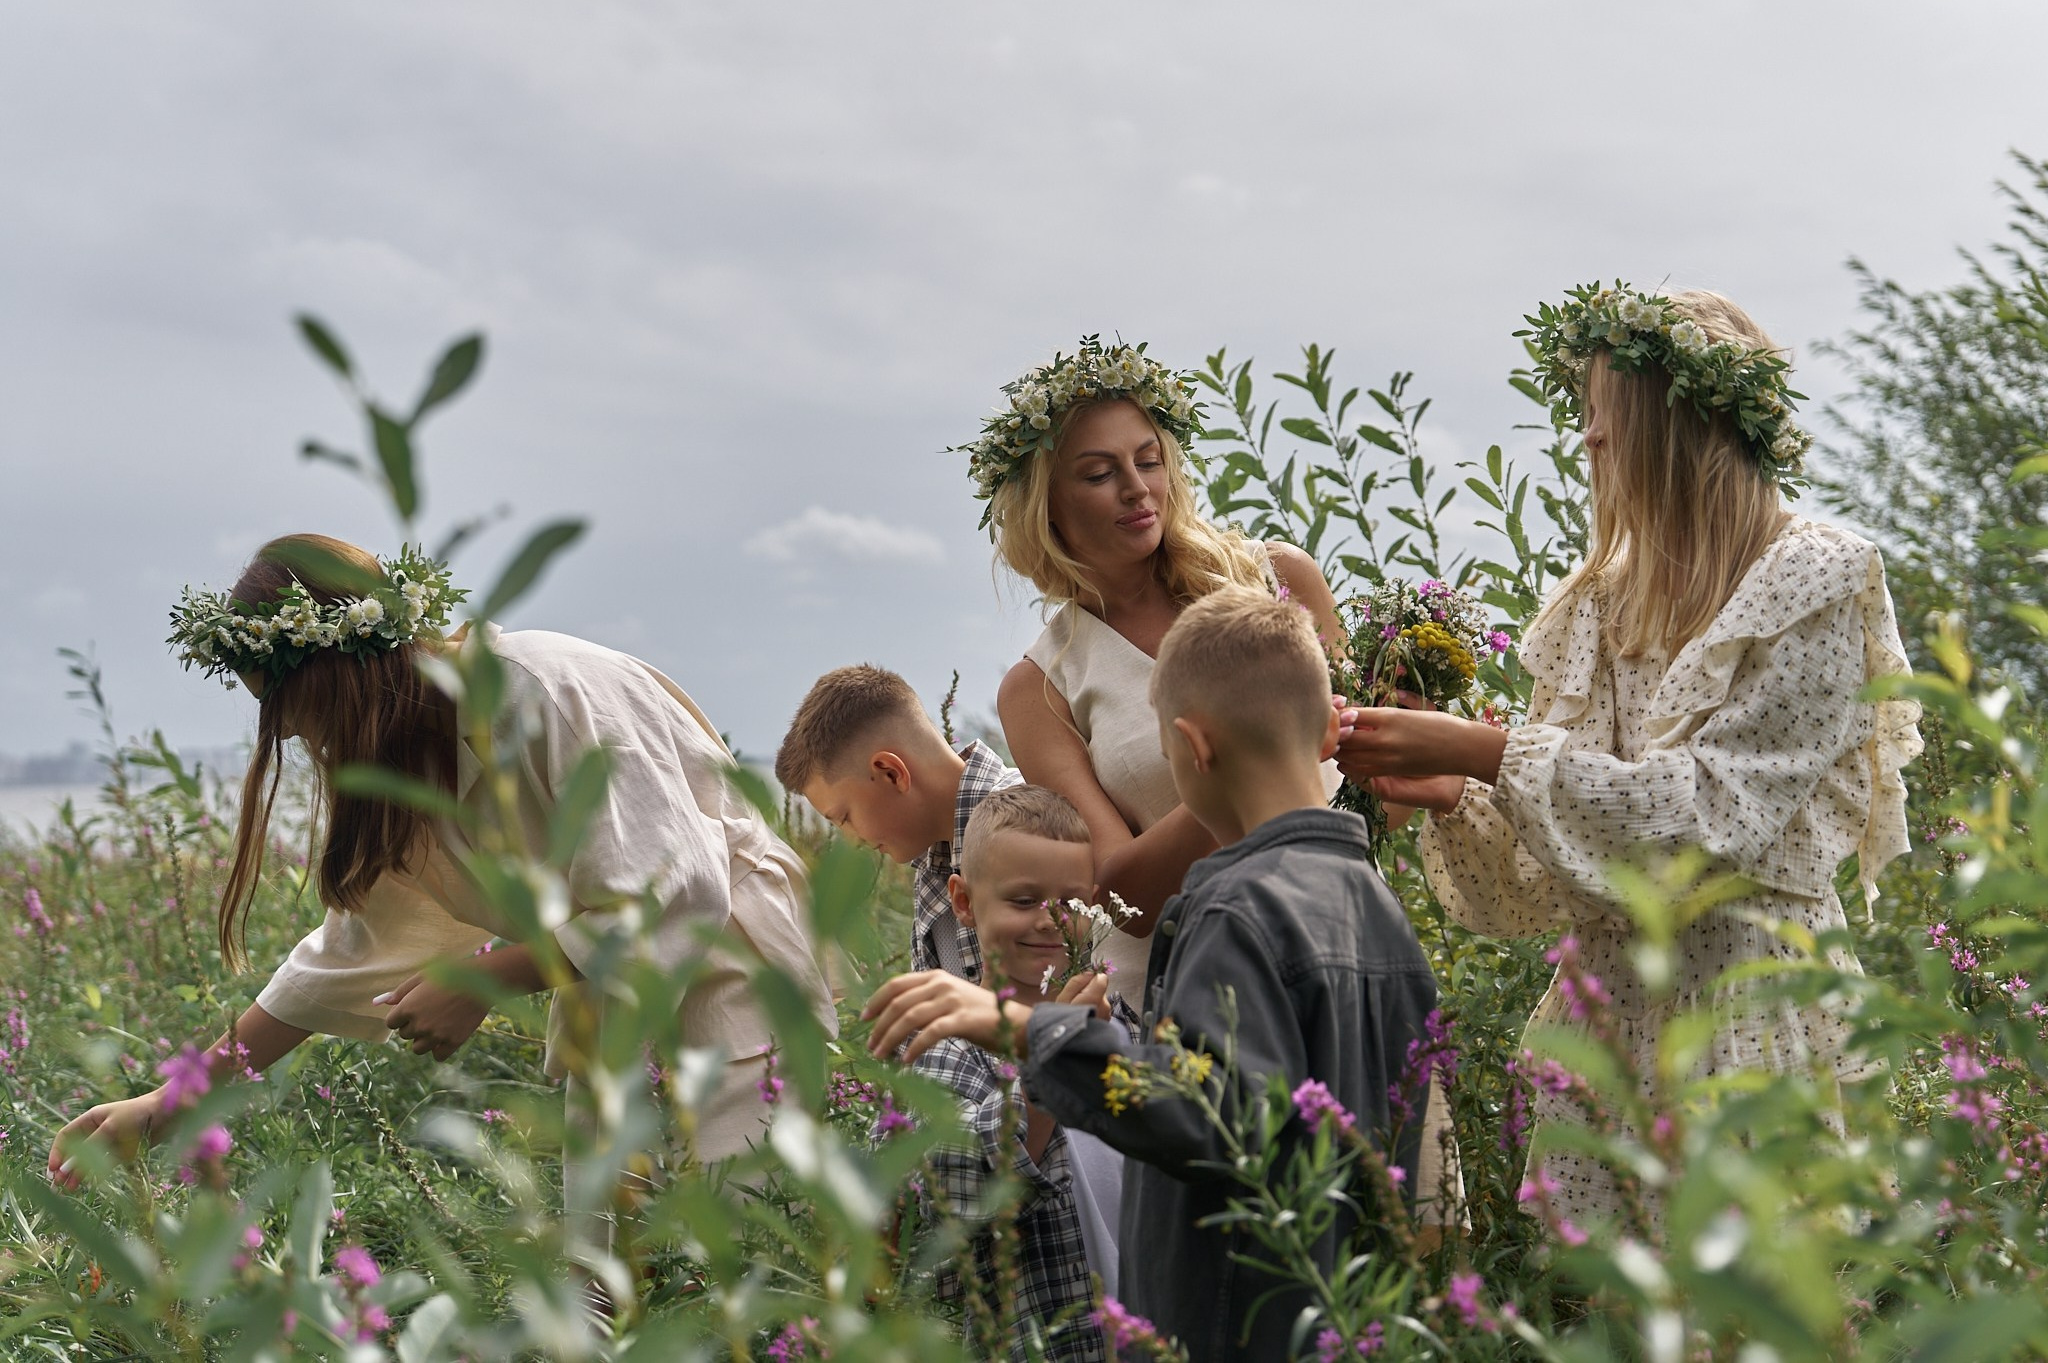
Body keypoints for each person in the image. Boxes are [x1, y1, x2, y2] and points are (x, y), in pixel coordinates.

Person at [49, 535, 835, 1250]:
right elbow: (339, 959)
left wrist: (483, 978)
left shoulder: (542, 688)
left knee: (759, 1238)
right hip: (610, 986)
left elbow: (679, 890)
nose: (298, 738)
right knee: (600, 1269)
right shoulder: (413, 769)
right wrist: (168, 1102)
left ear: (344, 674)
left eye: (298, 714)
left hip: (734, 961)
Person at [1336, 285, 1923, 1227]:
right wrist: (1456, 792)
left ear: (1674, 422)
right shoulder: (1600, 604)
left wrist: (1489, 752)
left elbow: (1706, 821)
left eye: (1603, 412)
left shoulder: (1813, 578)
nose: (1588, 439)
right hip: (1613, 1020)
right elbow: (1559, 877)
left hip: (1747, 1008)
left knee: (1761, 1306)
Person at [865, 587, 1438, 1363]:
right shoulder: (1379, 912)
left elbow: (1206, 1113)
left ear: (1191, 747)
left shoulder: (1237, 911)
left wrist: (1029, 1028)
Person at [966, 337, 1347, 984]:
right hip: (1196, 982)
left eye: (1149, 460)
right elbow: (1121, 899)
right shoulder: (1041, 687)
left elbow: (1372, 790)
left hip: (1341, 934)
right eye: (1098, 474)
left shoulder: (1277, 578)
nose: (1138, 488)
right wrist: (1252, 769)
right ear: (1045, 506)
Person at [900, 784, 1136, 1363]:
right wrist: (1054, 1055)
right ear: (963, 900)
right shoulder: (947, 1043)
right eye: (1024, 900)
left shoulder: (1123, 1026)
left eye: (1071, 903)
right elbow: (960, 1194)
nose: (1049, 922)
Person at [775, 664, 1020, 985]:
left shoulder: (1033, 826)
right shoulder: (935, 862)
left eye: (844, 818)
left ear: (891, 773)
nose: (852, 841)